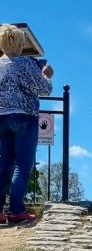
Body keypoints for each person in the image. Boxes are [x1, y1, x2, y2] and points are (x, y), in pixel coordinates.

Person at [0, 24, 53, 227]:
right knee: (22, 166)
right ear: (20, 45)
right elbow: (44, 89)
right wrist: (46, 75)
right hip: (24, 116)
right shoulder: (27, 63)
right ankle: (16, 211)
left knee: (3, 165)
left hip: (1, 117)